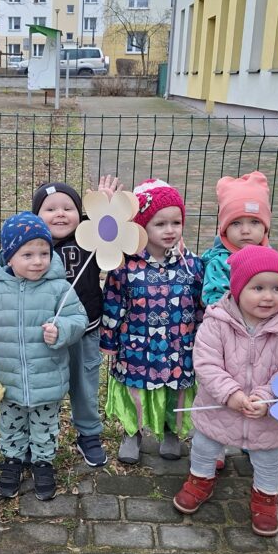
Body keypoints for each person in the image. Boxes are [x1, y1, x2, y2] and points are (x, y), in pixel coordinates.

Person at [173, 245, 278, 536]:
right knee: (204, 447)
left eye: (277, 288)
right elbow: (207, 363)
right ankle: (200, 480)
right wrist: (231, 394)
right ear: (237, 289)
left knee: (268, 459)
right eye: (258, 288)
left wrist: (267, 397)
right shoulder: (216, 322)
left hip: (267, 414)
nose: (268, 296)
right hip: (219, 406)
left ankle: (265, 499)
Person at [0, 213, 88, 501]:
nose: (38, 261)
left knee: (45, 426)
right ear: (9, 257)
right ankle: (12, 461)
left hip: (48, 378)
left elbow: (78, 319)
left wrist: (61, 330)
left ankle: (43, 463)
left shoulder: (59, 287)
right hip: (8, 381)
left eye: (44, 253)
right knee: (11, 425)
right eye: (28, 254)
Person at [101, 179, 205, 465]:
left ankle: (171, 432)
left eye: (176, 222)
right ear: (142, 226)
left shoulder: (192, 265)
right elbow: (113, 303)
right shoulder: (124, 266)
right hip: (136, 345)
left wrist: (201, 337)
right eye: (160, 224)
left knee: (176, 390)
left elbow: (200, 305)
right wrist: (109, 340)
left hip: (179, 345)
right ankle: (131, 432)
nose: (170, 230)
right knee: (134, 390)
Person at [31, 176, 122, 468]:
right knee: (46, 386)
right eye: (50, 209)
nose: (60, 214)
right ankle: (41, 436)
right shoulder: (32, 246)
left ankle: (89, 434)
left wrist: (106, 207)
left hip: (86, 330)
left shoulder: (90, 237)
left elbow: (115, 234)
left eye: (68, 208)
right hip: (47, 332)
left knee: (85, 386)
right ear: (36, 216)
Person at [201, 171, 272, 306]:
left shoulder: (272, 258)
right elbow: (212, 301)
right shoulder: (219, 263)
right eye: (235, 223)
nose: (245, 231)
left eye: (254, 222)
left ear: (265, 226)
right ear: (224, 229)